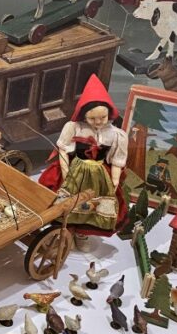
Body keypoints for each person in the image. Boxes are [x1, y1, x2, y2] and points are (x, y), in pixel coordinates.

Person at [38, 74, 128, 236]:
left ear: (109, 114)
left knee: (95, 205)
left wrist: (115, 179)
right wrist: (65, 171)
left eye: (103, 117)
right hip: (76, 170)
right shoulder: (75, 127)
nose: (98, 122)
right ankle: (66, 229)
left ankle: (83, 234)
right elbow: (63, 149)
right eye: (92, 118)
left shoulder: (115, 134)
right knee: (68, 198)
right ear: (84, 115)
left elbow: (117, 160)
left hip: (100, 175)